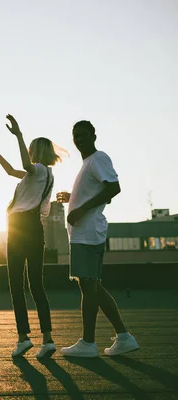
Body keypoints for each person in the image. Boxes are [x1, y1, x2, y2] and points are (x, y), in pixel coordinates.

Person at [59, 120, 139, 357]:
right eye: (75, 136)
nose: (79, 139)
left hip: (88, 233)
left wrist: (81, 210)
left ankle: (88, 343)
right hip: (86, 233)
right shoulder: (88, 163)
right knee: (94, 286)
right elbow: (100, 192)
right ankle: (124, 337)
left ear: (94, 135)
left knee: (88, 286)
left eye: (83, 134)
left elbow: (113, 188)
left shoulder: (98, 158)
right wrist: (73, 197)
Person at [0, 115, 62, 358]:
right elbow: (12, 170)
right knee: (36, 285)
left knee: (16, 285)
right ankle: (48, 339)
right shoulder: (40, 175)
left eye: (31, 147)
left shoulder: (39, 170)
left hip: (21, 227)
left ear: (37, 151)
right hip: (34, 227)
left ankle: (23, 338)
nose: (29, 151)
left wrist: (18, 135)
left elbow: (23, 163)